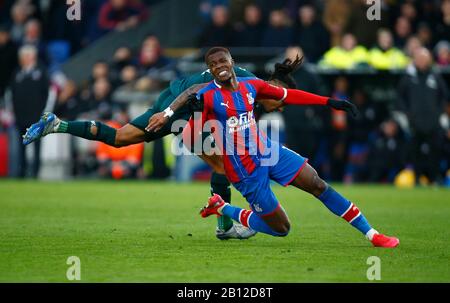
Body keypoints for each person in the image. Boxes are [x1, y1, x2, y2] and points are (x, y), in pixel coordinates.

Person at [150, 47, 399, 248]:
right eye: (213, 65)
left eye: (222, 61)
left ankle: (372, 234)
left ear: (231, 61)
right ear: (210, 70)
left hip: (268, 152)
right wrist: (175, 113)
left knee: (318, 184)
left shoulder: (251, 86)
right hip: (244, 170)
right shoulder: (206, 95)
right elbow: (196, 125)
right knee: (282, 229)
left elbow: (287, 96)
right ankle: (222, 207)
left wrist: (330, 102)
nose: (219, 67)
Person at [22, 59, 295, 240]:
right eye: (282, 102)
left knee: (120, 137)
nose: (280, 107)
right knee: (223, 164)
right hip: (183, 107)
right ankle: (223, 226)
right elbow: (199, 89)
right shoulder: (245, 83)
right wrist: (168, 113)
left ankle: (58, 124)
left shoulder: (251, 93)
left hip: (179, 102)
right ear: (276, 89)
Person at [397, 47, 449, 184]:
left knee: (435, 151)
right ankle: (417, 178)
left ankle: (436, 178)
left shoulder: (435, 75)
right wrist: (408, 113)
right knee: (415, 152)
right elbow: (400, 98)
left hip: (433, 122)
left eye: (424, 58)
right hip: (415, 122)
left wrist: (439, 113)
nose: (421, 61)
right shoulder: (409, 77)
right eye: (419, 58)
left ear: (429, 60)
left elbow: (444, 96)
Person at [10, 44, 49, 178]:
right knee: (22, 146)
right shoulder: (17, 73)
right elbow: (12, 95)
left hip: (36, 116)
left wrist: (43, 112)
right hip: (20, 116)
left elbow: (47, 94)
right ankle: (21, 172)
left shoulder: (41, 72)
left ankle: (35, 173)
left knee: (37, 146)